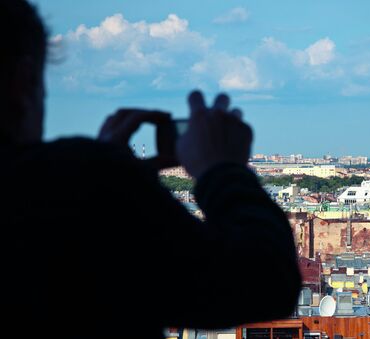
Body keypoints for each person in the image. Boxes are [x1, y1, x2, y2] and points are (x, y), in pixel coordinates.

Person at [0, 1, 301, 338]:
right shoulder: (72, 181)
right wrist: (222, 169)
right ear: (23, 83)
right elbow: (265, 283)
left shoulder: (70, 179)